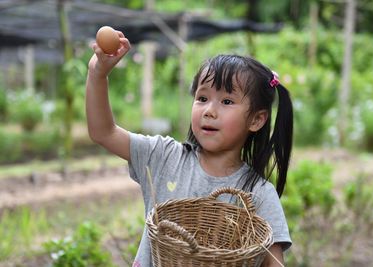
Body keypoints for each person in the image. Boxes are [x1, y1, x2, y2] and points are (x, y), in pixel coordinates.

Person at [86, 30, 293, 267]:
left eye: (226, 101)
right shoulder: (164, 157)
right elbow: (104, 132)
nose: (209, 111)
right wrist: (97, 74)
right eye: (202, 98)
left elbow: (274, 263)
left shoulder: (259, 195)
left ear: (256, 120)